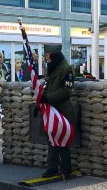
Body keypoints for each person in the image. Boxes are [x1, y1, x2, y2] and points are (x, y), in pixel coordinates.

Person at [40, 44, 75, 179]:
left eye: (47, 55)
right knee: (51, 139)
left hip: (62, 110)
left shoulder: (66, 69)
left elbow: (66, 91)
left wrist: (47, 98)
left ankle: (66, 168)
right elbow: (47, 86)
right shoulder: (53, 68)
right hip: (51, 109)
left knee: (62, 141)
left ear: (53, 54)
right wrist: (41, 99)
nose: (46, 58)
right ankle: (52, 168)